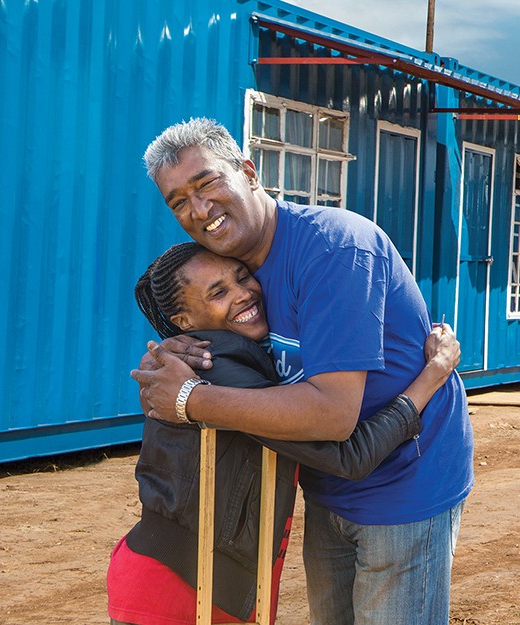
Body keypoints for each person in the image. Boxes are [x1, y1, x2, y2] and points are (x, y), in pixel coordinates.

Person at [131, 118, 474, 625]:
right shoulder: (236, 269)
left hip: (405, 480)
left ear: (248, 171)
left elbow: (334, 416)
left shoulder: (334, 249)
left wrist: (190, 400)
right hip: (327, 480)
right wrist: (171, 353)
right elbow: (213, 343)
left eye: (206, 184)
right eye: (179, 201)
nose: (198, 210)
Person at [108, 241, 461, 625]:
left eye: (243, 277)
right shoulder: (217, 372)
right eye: (219, 292)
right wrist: (432, 376)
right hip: (181, 589)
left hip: (195, 575)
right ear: (185, 322)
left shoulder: (235, 356)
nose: (243, 294)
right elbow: (349, 456)